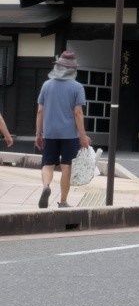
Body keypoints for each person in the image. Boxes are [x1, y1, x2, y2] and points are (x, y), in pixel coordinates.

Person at [35, 50, 90, 209]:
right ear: (73, 69)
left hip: (50, 133)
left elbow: (40, 111)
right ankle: (63, 201)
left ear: (57, 67)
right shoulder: (77, 87)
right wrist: (83, 136)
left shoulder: (46, 85)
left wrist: (39, 134)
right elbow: (78, 113)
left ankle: (46, 187)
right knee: (66, 166)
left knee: (48, 164)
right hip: (69, 135)